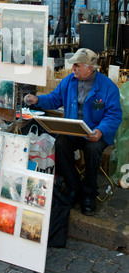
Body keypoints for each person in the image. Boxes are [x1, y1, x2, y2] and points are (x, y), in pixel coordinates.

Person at [25, 48, 122, 216]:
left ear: (89, 67)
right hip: (75, 131)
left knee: (92, 150)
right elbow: (54, 99)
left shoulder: (108, 87)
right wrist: (38, 100)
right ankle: (75, 187)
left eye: (76, 66)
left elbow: (114, 115)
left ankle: (89, 194)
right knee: (61, 143)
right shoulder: (69, 81)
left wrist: (100, 130)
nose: (73, 69)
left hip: (96, 133)